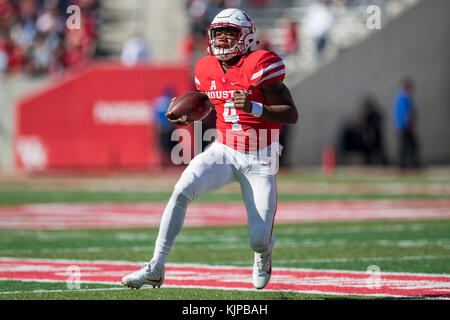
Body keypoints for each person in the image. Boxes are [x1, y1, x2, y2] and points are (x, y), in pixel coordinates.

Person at [121, 8, 298, 290]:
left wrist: (253, 106)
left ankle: (263, 254)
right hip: (224, 150)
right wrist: (189, 116)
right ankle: (156, 265)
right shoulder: (205, 68)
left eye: (230, 33)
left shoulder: (260, 64)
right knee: (181, 191)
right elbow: (212, 102)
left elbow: (291, 113)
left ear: (247, 37)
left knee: (258, 239)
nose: (224, 39)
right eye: (218, 33)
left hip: (260, 158)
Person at [392, 77, 420, 168]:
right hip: (405, 125)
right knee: (410, 145)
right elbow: (407, 112)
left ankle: (404, 164)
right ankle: (409, 164)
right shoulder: (404, 96)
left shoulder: (399, 96)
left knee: (406, 146)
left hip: (401, 125)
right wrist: (411, 125)